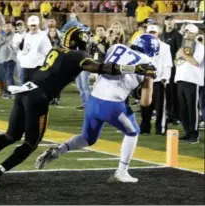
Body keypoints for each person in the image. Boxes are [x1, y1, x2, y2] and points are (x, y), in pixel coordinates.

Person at [0, 27, 156, 189]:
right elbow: (99, 68)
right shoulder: (78, 54)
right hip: (38, 98)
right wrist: (131, 69)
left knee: (11, 135)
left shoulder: (56, 49)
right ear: (79, 42)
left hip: (25, 91)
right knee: (30, 143)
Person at [35, 34, 159, 183]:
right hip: (112, 104)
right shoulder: (148, 62)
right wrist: (149, 80)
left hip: (93, 100)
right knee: (133, 132)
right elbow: (145, 102)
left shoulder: (116, 47)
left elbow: (107, 68)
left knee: (88, 138)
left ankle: (58, 150)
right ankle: (122, 171)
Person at [140, 25, 172, 135]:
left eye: (154, 32)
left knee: (160, 107)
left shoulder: (165, 47)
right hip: (146, 78)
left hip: (159, 80)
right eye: (150, 32)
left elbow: (168, 64)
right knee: (145, 105)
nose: (152, 34)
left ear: (158, 33)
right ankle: (145, 128)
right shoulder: (142, 45)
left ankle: (161, 128)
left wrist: (165, 79)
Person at [175, 24, 204, 144]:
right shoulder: (184, 46)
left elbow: (196, 62)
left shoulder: (200, 46)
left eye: (190, 32)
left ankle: (194, 134)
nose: (187, 34)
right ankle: (188, 132)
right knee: (183, 109)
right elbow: (177, 63)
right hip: (181, 79)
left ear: (195, 34)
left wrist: (183, 55)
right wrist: (178, 56)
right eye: (186, 32)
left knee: (192, 109)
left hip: (192, 80)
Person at [17, 15, 52, 83]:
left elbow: (48, 52)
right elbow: (22, 51)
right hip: (25, 67)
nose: (33, 27)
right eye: (31, 25)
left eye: (35, 25)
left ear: (38, 25)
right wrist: (21, 60)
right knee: (25, 90)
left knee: (35, 90)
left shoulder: (43, 36)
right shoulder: (26, 36)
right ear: (28, 25)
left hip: (37, 67)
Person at [161, 15, 183, 125]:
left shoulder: (178, 35)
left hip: (174, 69)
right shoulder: (162, 35)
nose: (169, 22)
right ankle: (170, 114)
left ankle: (177, 115)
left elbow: (180, 52)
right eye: (168, 20)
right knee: (167, 92)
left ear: (174, 23)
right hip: (164, 68)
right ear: (165, 22)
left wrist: (177, 65)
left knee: (174, 92)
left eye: (171, 21)